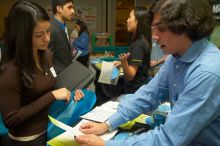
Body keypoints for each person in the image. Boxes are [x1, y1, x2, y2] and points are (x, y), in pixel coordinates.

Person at [75, 0, 220, 146]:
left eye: (161, 29)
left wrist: (106, 145)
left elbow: (168, 139)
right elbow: (149, 95)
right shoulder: (175, 57)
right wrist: (107, 124)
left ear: (187, 27)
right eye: (154, 28)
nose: (155, 36)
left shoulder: (207, 72)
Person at [0, 1, 82, 145]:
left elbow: (48, 87)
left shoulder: (46, 55)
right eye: (39, 35)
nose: (47, 39)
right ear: (22, 35)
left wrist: (69, 93)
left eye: (48, 31)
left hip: (52, 128)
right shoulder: (10, 70)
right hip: (29, 140)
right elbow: (11, 119)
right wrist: (51, 96)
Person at [114, 6, 152, 95]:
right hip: (138, 90)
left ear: (138, 21)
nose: (127, 21)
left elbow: (130, 75)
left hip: (135, 92)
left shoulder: (138, 44)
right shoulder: (141, 41)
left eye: (130, 17)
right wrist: (121, 63)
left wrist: (123, 61)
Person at [48, 0, 74, 73]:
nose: (73, 11)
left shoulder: (62, 26)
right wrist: (54, 78)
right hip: (58, 78)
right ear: (59, 9)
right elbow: (46, 61)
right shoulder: (51, 29)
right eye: (69, 7)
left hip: (67, 74)